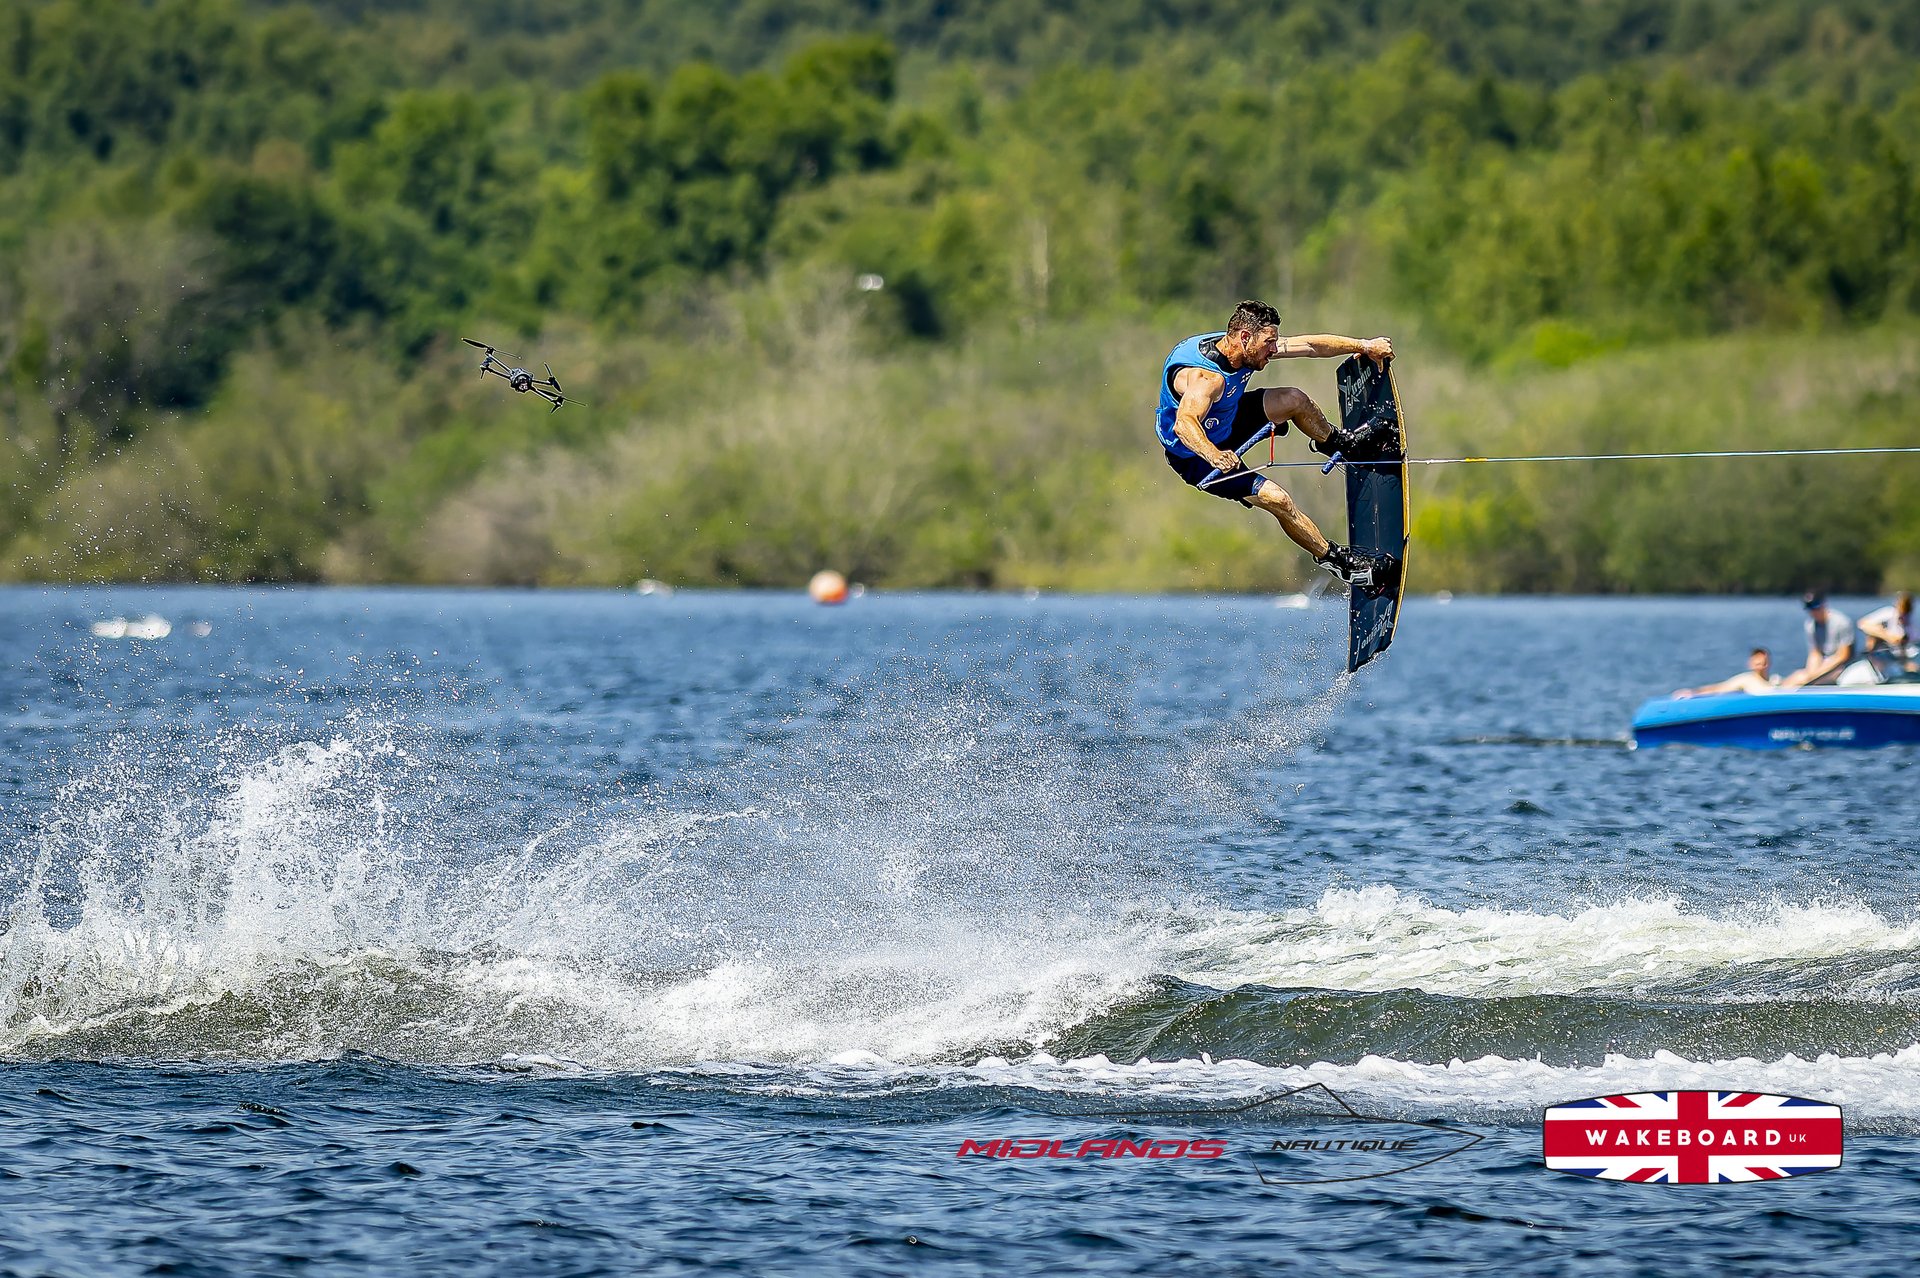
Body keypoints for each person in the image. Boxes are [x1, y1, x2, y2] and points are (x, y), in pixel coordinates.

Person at [1156, 300, 1397, 589]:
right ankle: (1341, 564)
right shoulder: (1205, 379)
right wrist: (1215, 455)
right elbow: (1185, 424)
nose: (1274, 349)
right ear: (1245, 337)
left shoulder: (1243, 347)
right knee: (1278, 500)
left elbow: (1309, 345)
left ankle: (1340, 445)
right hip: (1197, 456)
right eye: (1269, 343)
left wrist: (1364, 345)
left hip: (1226, 419)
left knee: (1293, 399)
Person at [1781, 592, 1855, 687]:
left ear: (1823, 604)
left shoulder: (1841, 622)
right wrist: (1811, 673)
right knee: (1795, 678)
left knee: (1803, 680)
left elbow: (1843, 655)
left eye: (1816, 607)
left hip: (1842, 667)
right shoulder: (1810, 625)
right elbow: (1815, 653)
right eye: (1810, 609)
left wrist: (1816, 675)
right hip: (1823, 666)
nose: (1814, 612)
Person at [1674, 648, 1779, 698]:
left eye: (1764, 663)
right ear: (1751, 664)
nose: (1761, 666)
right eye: (1758, 663)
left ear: (1769, 663)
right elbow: (1719, 688)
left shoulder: (1775, 680)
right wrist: (1693, 692)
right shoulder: (1746, 680)